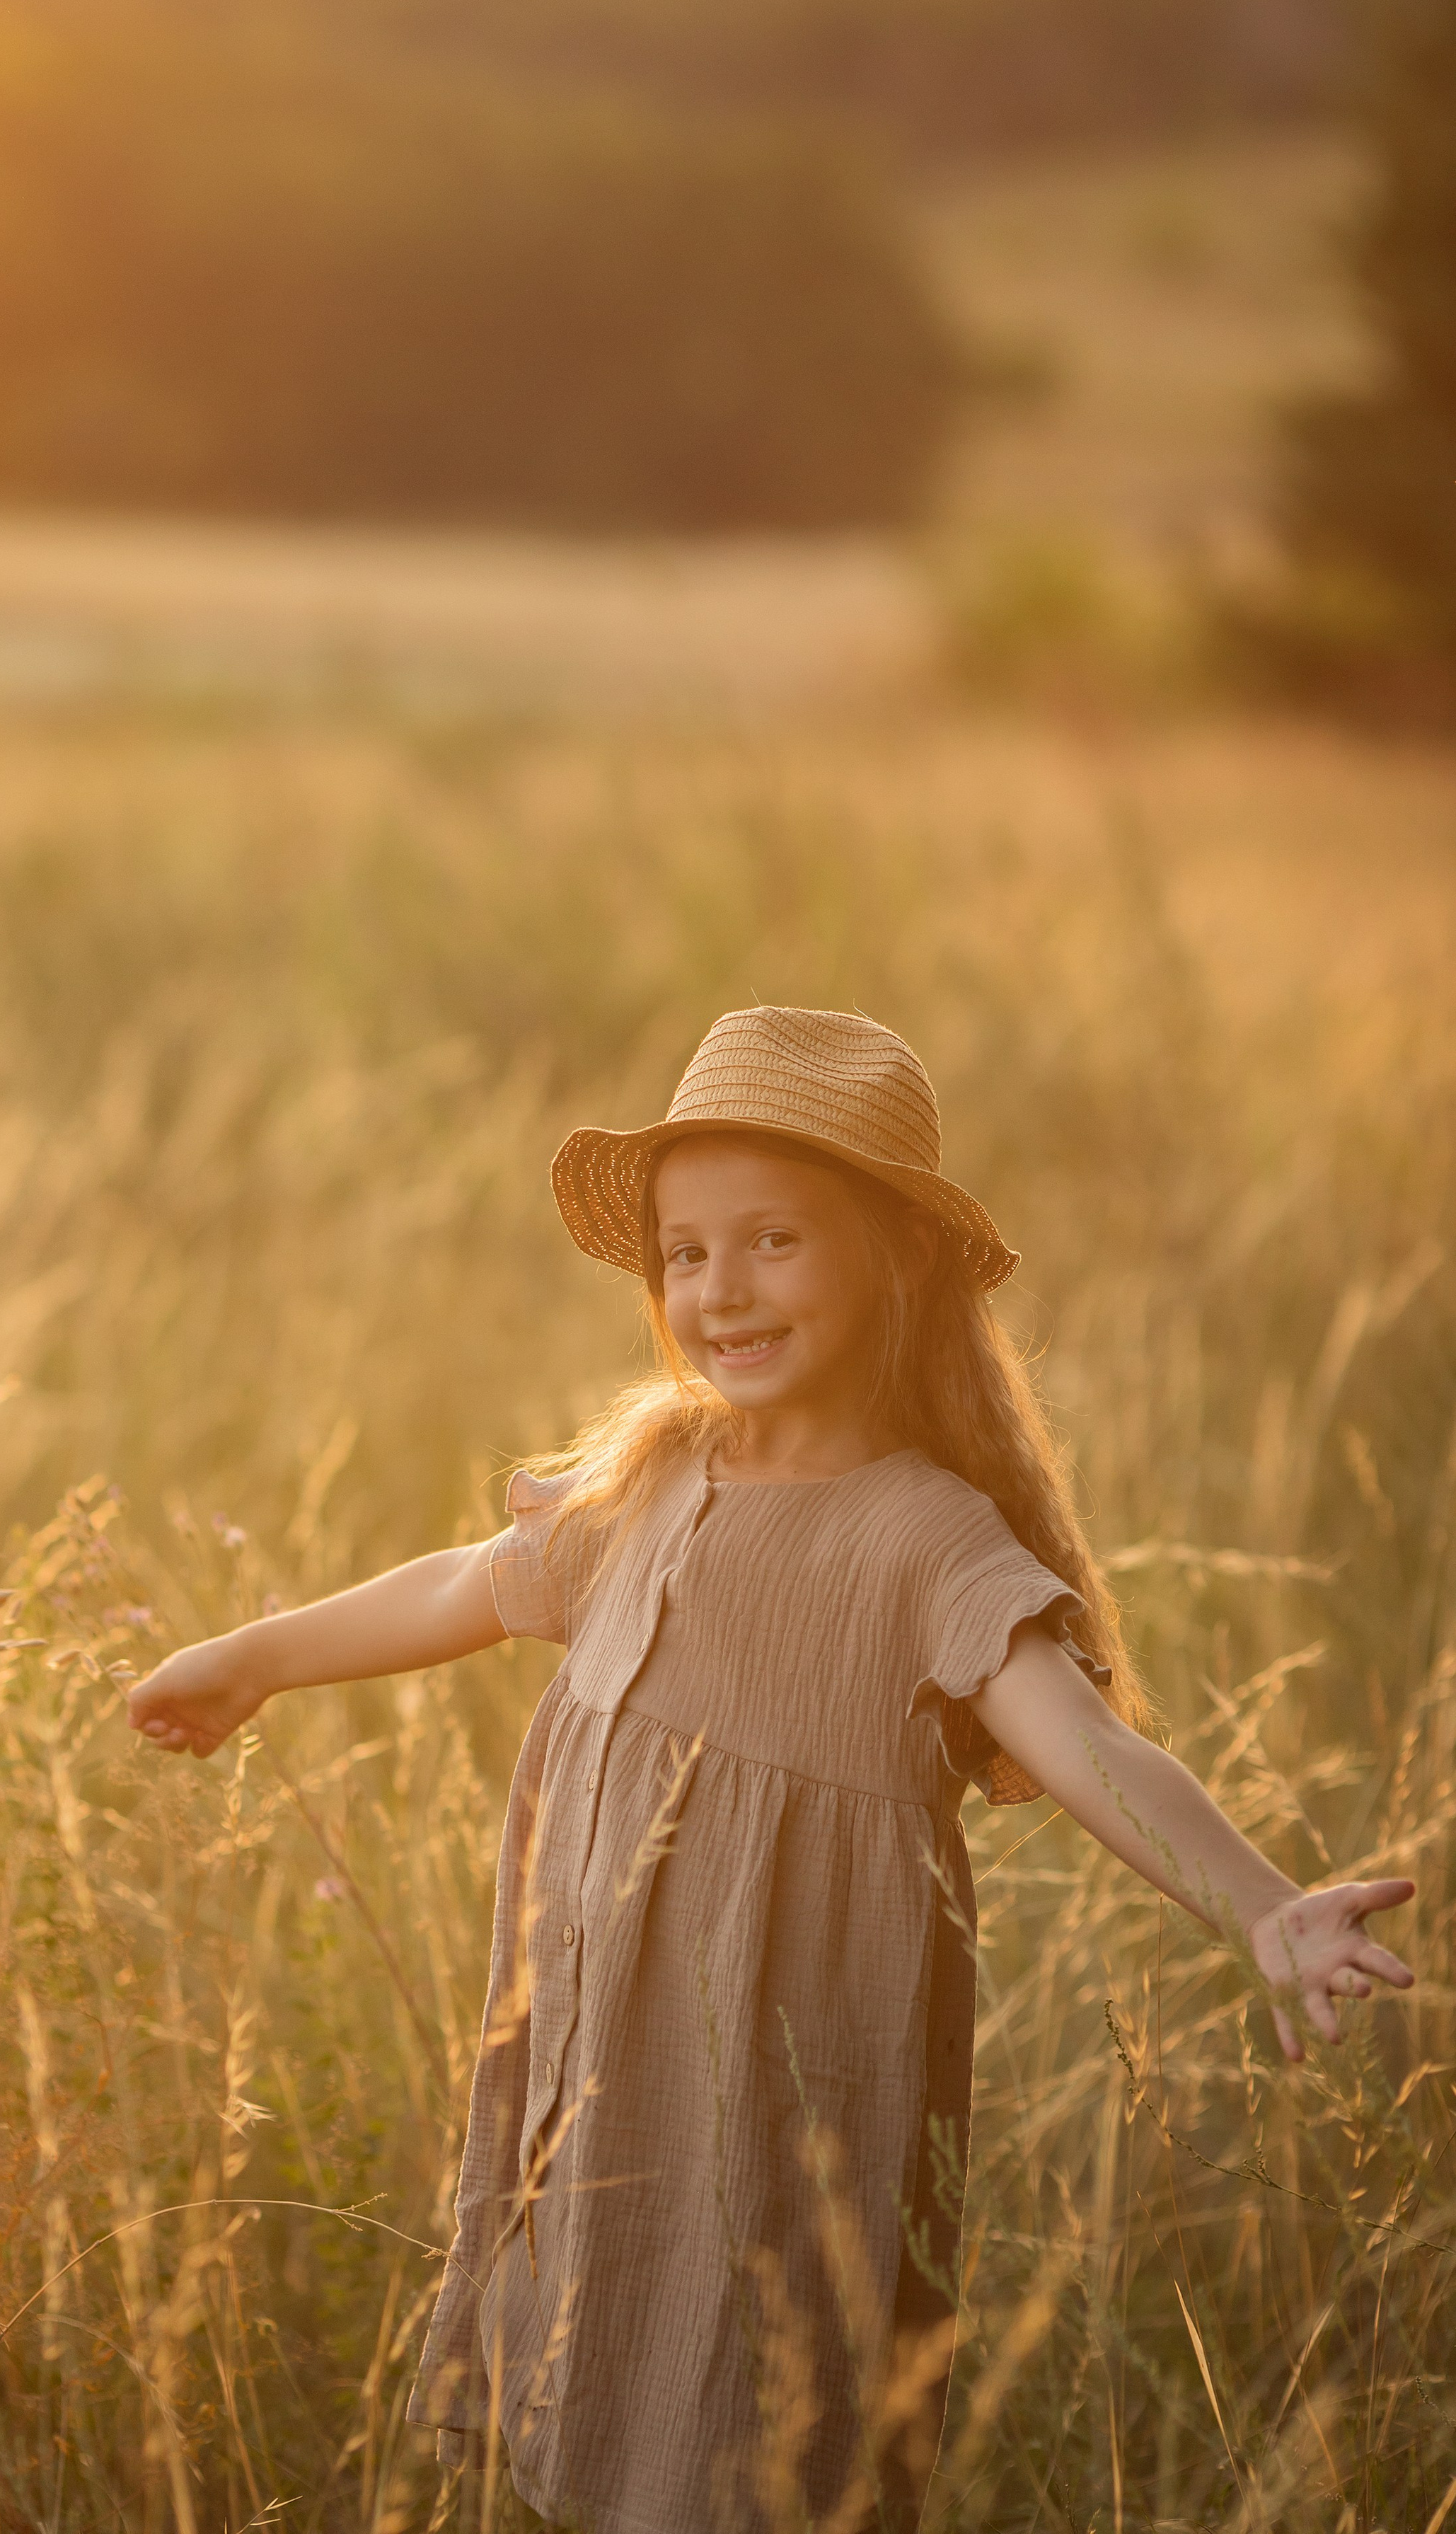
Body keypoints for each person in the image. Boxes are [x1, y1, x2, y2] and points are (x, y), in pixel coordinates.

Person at [127, 1004, 1414, 2533]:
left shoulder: (921, 1540)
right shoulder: (655, 1476)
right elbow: (464, 1585)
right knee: (594, 2394)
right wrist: (258, 1654)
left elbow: (1086, 1744)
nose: (717, 1289)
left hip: (771, 2125)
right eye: (683, 1253)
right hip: (611, 2087)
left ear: (895, 1259)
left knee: (741, 2440)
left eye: (773, 1242)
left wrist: (1258, 1908)